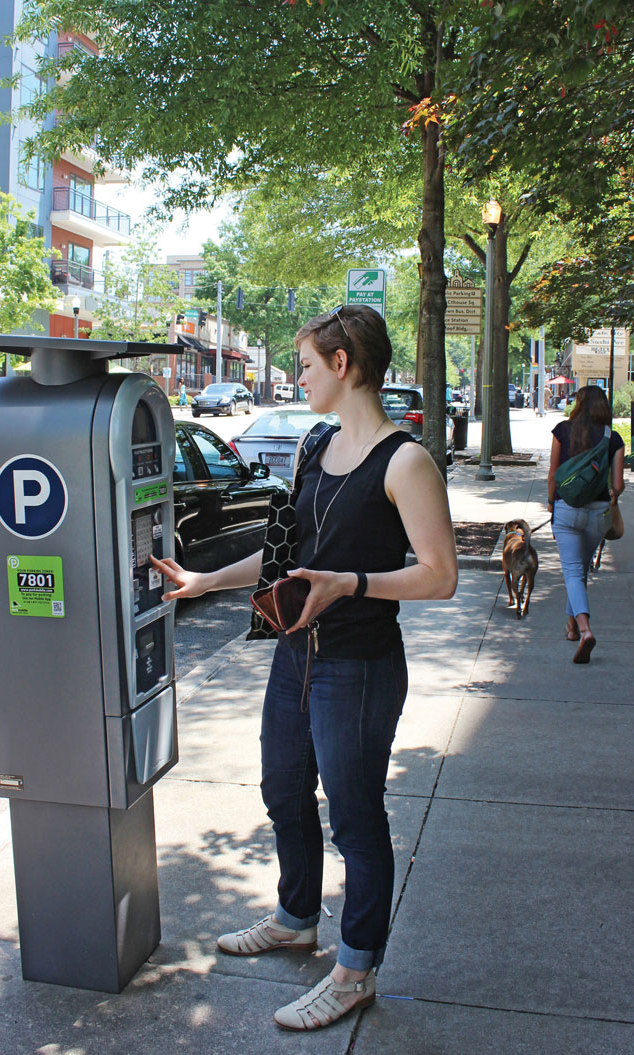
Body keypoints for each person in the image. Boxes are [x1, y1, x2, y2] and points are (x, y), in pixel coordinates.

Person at [151, 304, 458, 1031]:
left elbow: (439, 574)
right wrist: (207, 582)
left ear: (343, 364)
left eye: (308, 365)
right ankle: (295, 916)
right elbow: (290, 557)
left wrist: (349, 582)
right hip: (294, 652)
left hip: (356, 663)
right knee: (283, 788)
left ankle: (354, 968)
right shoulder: (314, 446)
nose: (299, 377)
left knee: (354, 819)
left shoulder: (404, 461)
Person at [547, 384, 625, 663]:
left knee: (572, 571)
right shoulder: (612, 438)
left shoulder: (562, 431)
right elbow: (617, 485)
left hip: (567, 510)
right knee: (580, 570)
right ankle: (571, 628)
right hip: (598, 514)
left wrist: (550, 501)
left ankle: (584, 629)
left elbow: (554, 475)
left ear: (578, 405)